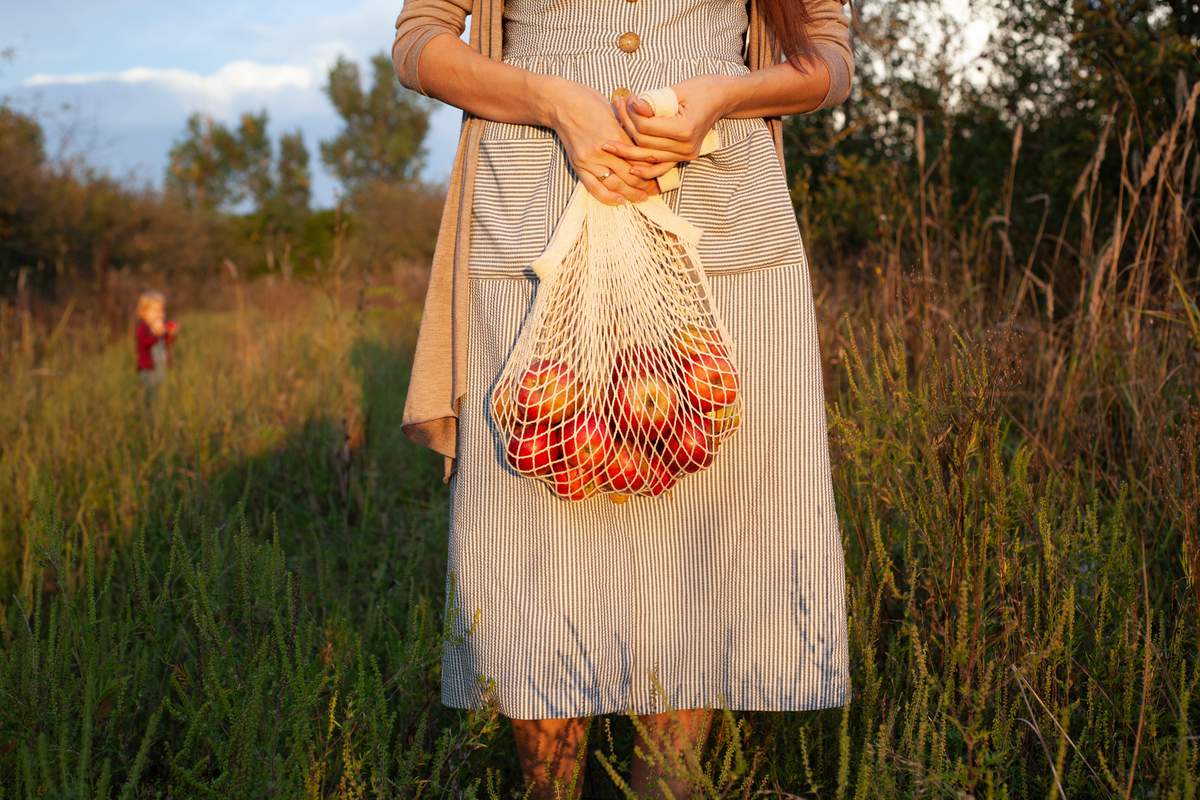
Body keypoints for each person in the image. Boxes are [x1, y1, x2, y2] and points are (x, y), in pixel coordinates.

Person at [392, 0, 855, 795]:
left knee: (705, 538)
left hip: (718, 199)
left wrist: (719, 97)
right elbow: (419, 42)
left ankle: (666, 788)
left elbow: (830, 59)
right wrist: (555, 102)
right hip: (540, 197)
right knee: (532, 537)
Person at [134, 290, 177, 404]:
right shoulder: (143, 329)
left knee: (161, 391)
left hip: (161, 366)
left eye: (162, 311)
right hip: (148, 368)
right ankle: (148, 411)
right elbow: (145, 343)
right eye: (156, 311)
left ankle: (159, 408)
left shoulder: (160, 327)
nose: (160, 314)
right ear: (143, 313)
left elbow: (166, 344)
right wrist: (155, 334)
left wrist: (170, 334)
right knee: (149, 392)